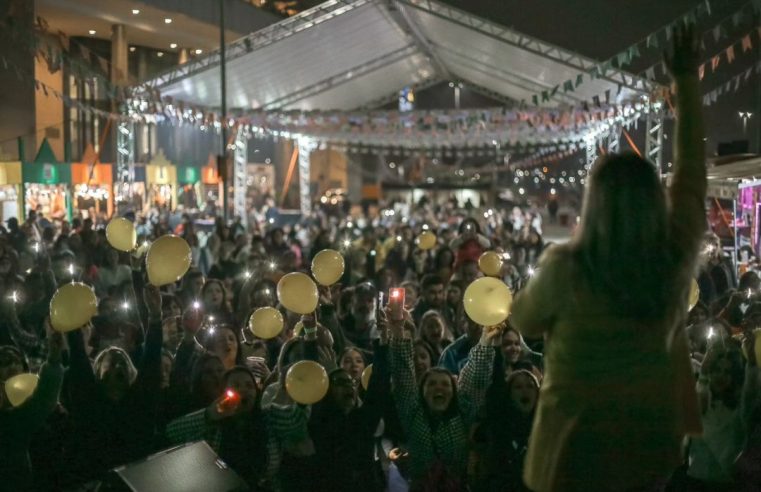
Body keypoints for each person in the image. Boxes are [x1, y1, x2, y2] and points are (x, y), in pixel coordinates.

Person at [510, 24, 706, 491]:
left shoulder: (567, 268)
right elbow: (692, 177)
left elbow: (524, 319)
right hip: (648, 445)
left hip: (572, 452)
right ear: (655, 203)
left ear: (592, 205)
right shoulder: (671, 261)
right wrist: (686, 80)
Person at [389, 307, 498, 489]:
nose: (439, 388)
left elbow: (476, 377)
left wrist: (486, 340)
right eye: (432, 384)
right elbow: (403, 377)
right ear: (421, 392)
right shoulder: (412, 412)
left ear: (454, 391)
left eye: (445, 384)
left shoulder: (463, 413)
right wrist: (399, 332)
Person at [166, 366, 272, 490]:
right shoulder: (213, 424)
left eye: (249, 386)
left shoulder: (267, 419)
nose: (243, 390)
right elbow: (172, 431)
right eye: (236, 385)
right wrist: (209, 415)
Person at [0, 332, 64, 491]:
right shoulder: (8, 419)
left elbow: (43, 398)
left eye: (16, 361)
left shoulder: (44, 403)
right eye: (5, 362)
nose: (12, 366)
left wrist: (54, 360)